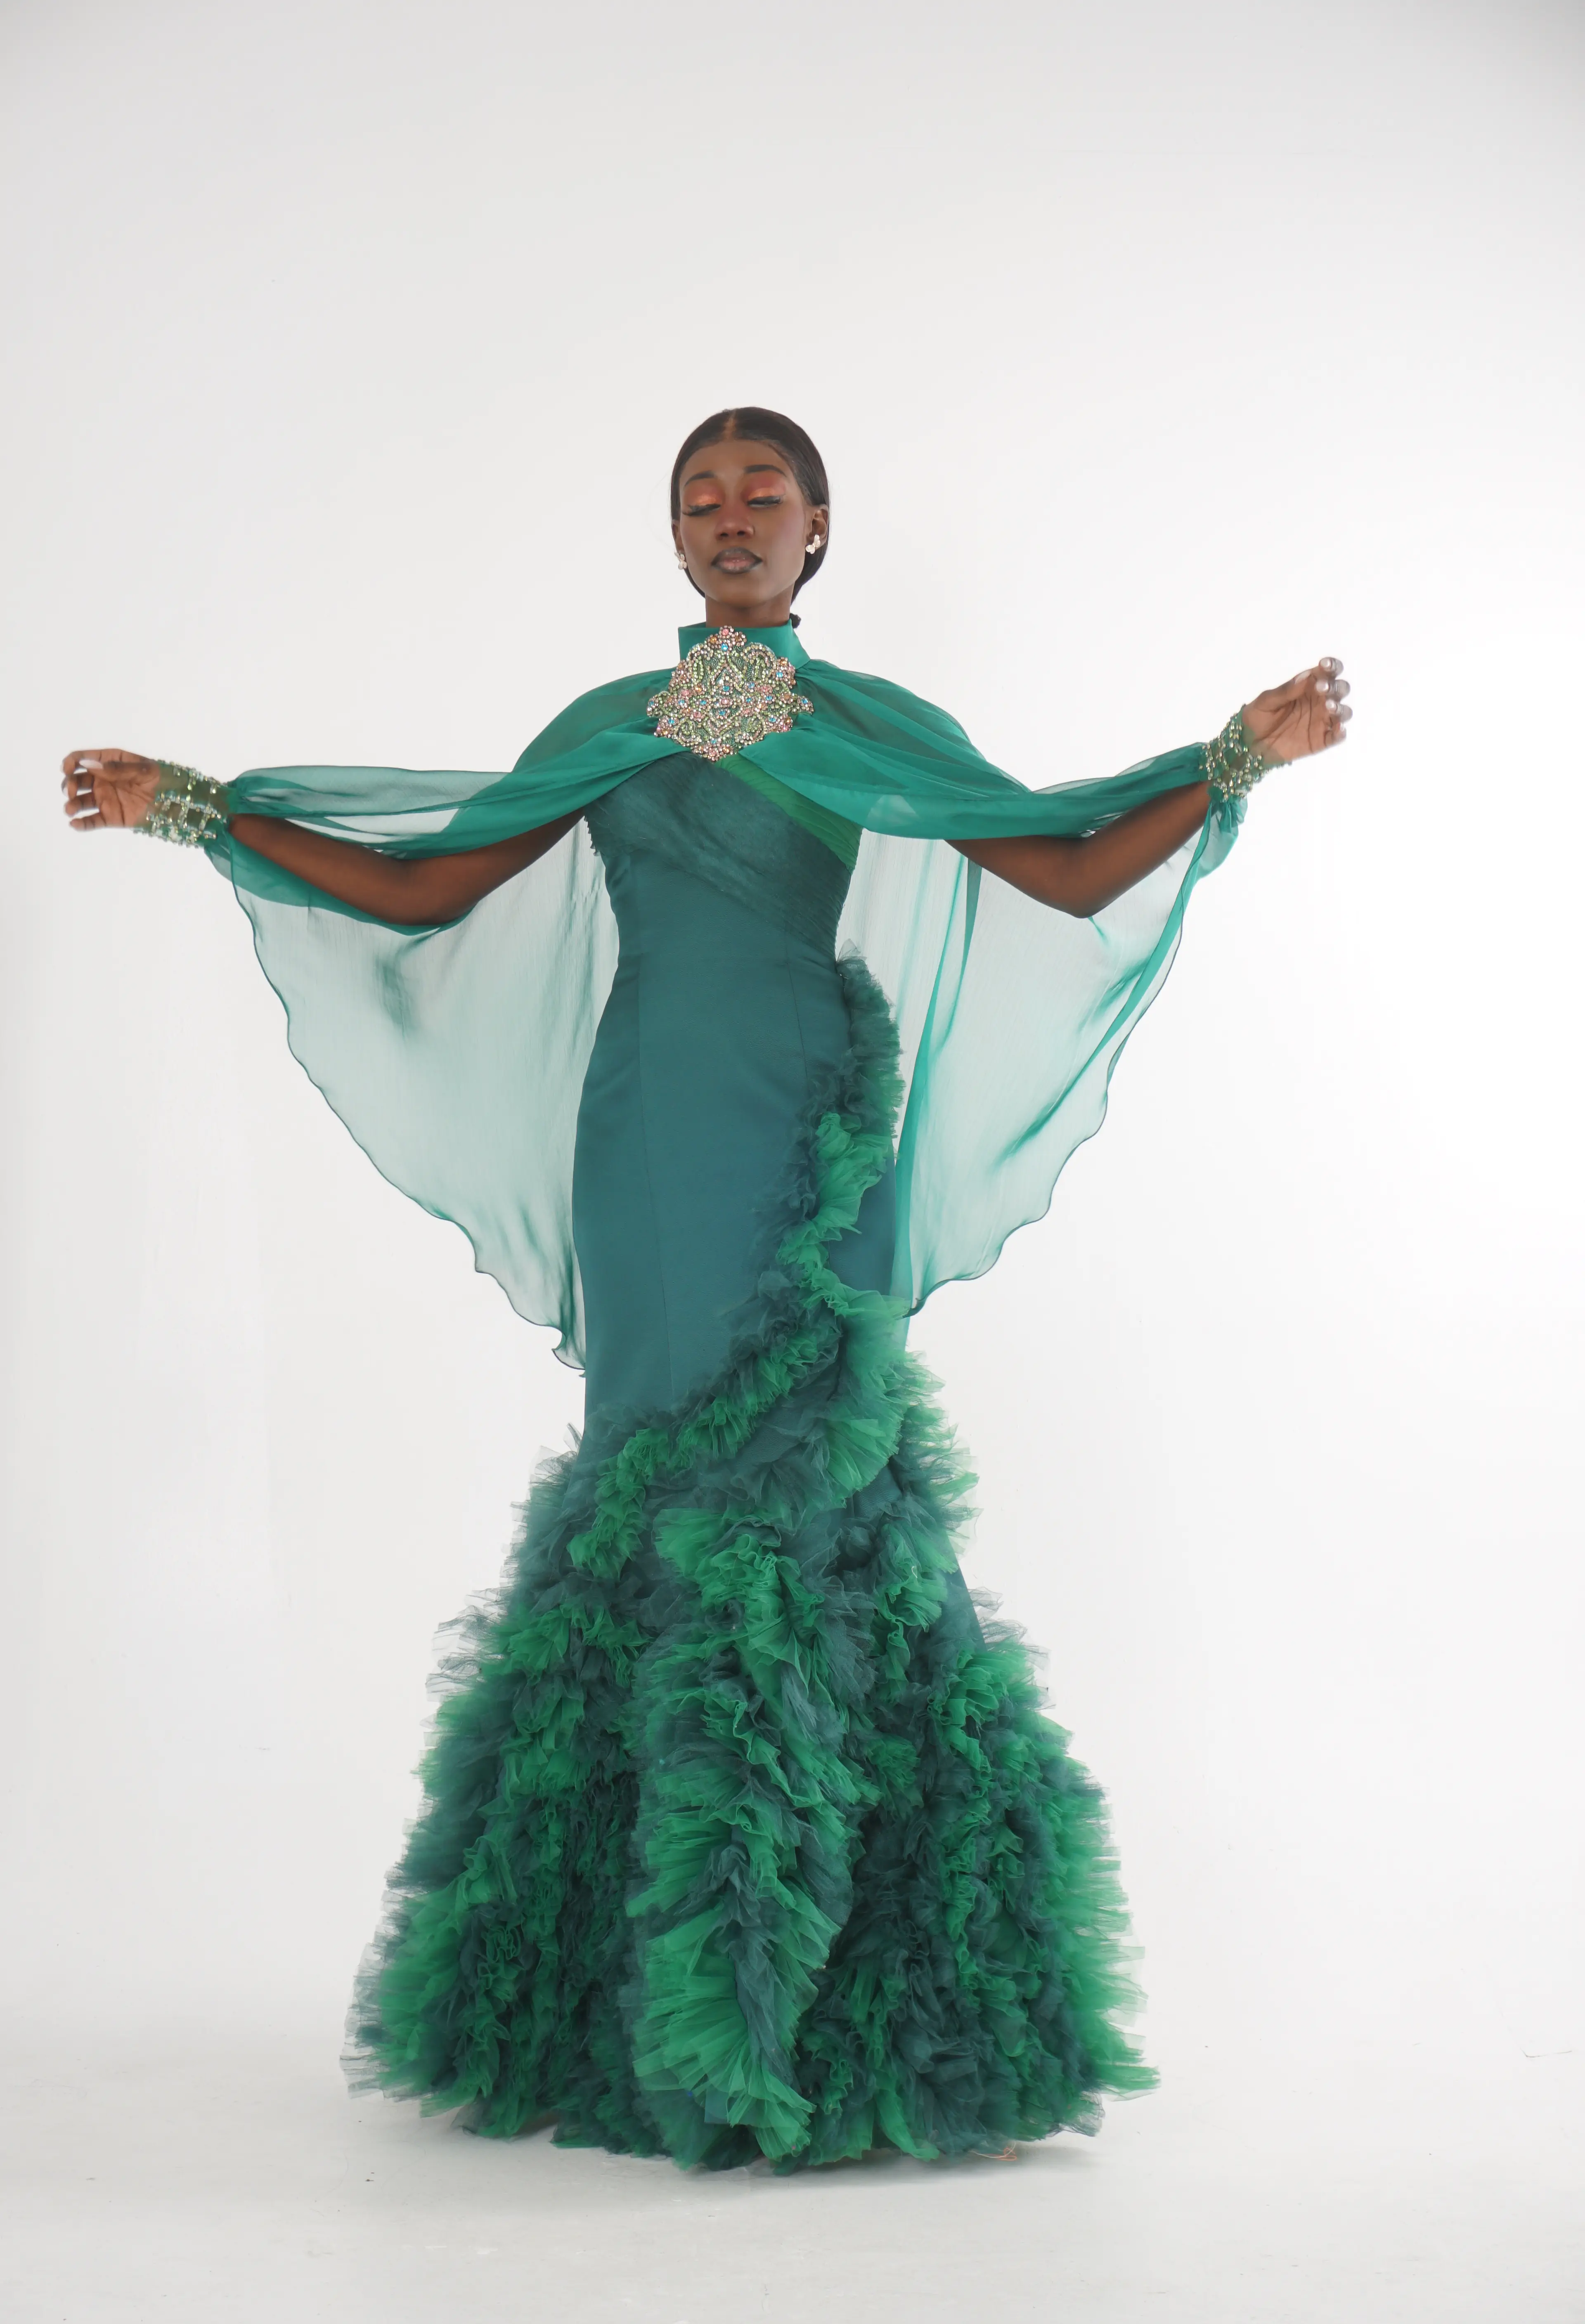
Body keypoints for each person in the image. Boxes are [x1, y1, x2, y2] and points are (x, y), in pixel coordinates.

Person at [62, 406, 1350, 2173]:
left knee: (812, 1478)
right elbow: (426, 886)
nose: (732, 517)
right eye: (702, 499)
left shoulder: (871, 720)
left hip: (803, 1120)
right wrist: (200, 811)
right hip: (650, 1133)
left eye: (765, 496)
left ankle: (849, 1983)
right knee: (659, 1485)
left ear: (819, 531)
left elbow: (1060, 864)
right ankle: (637, 1992)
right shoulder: (616, 721)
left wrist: (1234, 759)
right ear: (675, 538)